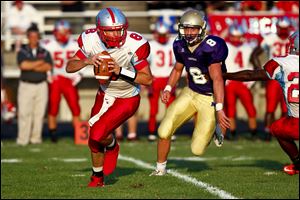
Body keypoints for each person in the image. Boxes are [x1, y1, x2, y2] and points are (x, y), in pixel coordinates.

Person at [66, 7, 152, 187]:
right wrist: (87, 61)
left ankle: (111, 148)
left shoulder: (135, 43)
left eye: (119, 30)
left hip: (128, 98)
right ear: (99, 31)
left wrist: (120, 71)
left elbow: (147, 79)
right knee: (94, 137)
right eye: (110, 31)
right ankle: (98, 177)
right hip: (105, 94)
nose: (116, 35)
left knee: (98, 133)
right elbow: (70, 66)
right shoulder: (90, 40)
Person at [150, 9, 230, 176]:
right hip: (190, 92)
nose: (189, 32)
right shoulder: (179, 45)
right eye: (186, 28)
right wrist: (167, 88)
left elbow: (217, 79)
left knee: (197, 150)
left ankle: (214, 129)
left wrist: (219, 108)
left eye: (193, 28)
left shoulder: (212, 47)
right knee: (163, 131)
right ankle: (160, 169)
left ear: (202, 28)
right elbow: (177, 69)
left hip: (208, 98)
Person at [223, 30, 299, 175]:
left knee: (277, 128)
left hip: (296, 123)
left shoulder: (282, 62)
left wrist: (225, 75)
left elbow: (250, 74)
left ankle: (297, 163)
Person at [40, 20, 82, 143]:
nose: (63, 35)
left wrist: (79, 75)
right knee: (53, 107)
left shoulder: (75, 45)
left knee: (75, 107)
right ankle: (53, 135)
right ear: (55, 33)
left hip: (69, 80)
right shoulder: (48, 45)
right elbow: (43, 62)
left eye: (65, 32)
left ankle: (79, 134)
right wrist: (48, 74)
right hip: (56, 79)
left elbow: (83, 60)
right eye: (60, 32)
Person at [251, 17, 292, 141]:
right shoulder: (270, 38)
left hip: (289, 78)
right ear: (278, 28)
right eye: (282, 29)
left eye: (286, 29)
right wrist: (261, 71)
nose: (284, 32)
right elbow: (254, 55)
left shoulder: (294, 38)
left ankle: (285, 133)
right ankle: (268, 131)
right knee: (271, 107)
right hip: (275, 78)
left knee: (287, 109)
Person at [16, 24, 52, 146]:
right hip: (26, 85)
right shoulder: (22, 51)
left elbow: (48, 66)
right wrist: (39, 63)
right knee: (24, 113)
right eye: (32, 36)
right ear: (28, 37)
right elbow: (23, 65)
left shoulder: (44, 51)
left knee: (39, 113)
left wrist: (32, 66)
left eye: (36, 37)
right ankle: (23, 139)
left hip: (41, 85)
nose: (34, 39)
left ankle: (36, 138)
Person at [224, 24, 258, 140]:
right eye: (234, 36)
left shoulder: (248, 47)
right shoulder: (225, 46)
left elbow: (253, 62)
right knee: (230, 109)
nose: (236, 39)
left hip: (243, 81)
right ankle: (232, 132)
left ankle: (253, 132)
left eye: (238, 36)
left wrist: (250, 81)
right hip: (230, 82)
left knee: (250, 108)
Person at [147, 21, 176, 142]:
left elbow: (177, 65)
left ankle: (169, 131)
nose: (163, 37)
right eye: (161, 34)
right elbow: (146, 64)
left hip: (168, 79)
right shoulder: (151, 45)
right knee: (154, 108)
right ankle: (152, 131)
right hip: (155, 78)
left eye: (164, 34)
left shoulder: (173, 44)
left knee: (171, 107)